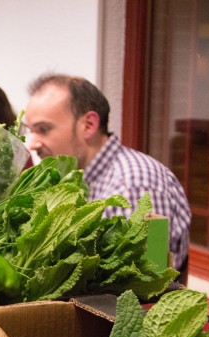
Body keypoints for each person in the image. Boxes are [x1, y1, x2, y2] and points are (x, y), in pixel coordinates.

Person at [23, 73, 191, 277]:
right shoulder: (73, 178)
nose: (32, 144)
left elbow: (139, 284)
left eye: (43, 129)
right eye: (31, 130)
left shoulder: (133, 184)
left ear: (89, 125)